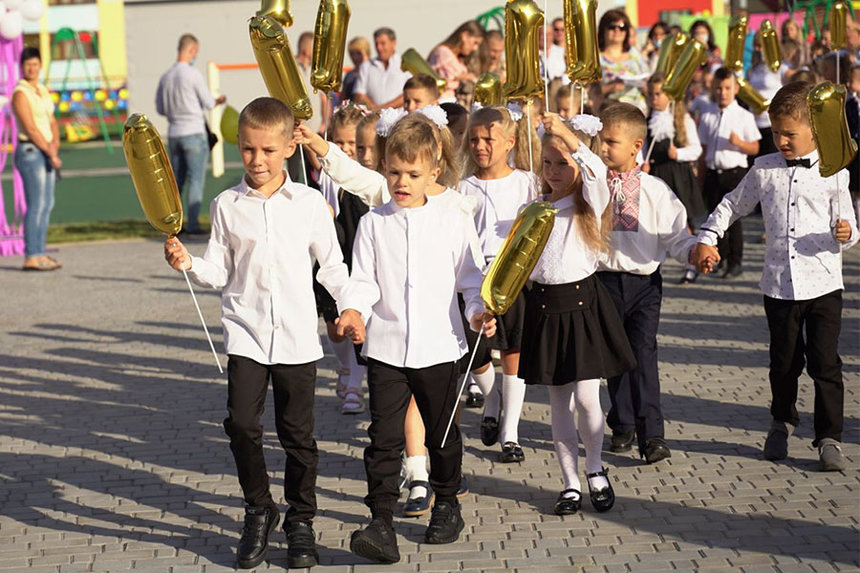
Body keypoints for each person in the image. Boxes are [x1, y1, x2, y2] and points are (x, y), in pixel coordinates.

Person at [164, 97, 349, 570]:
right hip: (245, 332)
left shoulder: (309, 203)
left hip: (296, 338)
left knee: (297, 435)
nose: (257, 160)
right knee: (242, 425)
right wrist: (189, 263)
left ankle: (301, 520)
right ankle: (258, 507)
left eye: (267, 150)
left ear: (289, 147)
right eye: (248, 150)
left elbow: (331, 265)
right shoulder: (228, 205)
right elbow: (221, 270)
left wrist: (350, 307)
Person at [334, 113, 495, 563]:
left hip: (439, 347)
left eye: (412, 174)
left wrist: (478, 310)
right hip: (386, 348)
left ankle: (445, 503)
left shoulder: (452, 219)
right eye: (393, 172)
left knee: (442, 434)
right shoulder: (373, 222)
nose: (401, 182)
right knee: (383, 437)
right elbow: (362, 280)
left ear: (434, 171)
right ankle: (380, 521)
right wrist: (354, 310)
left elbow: (469, 279)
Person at [692, 81, 858, 472]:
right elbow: (732, 204)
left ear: (814, 131)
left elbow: (849, 221)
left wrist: (847, 233)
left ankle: (829, 436)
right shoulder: (763, 169)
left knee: (825, 364)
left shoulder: (835, 172)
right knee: (783, 362)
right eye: (777, 132)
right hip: (779, 285)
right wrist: (708, 235)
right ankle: (781, 420)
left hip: (823, 283)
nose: (781, 140)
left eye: (790, 134)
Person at [522, 111, 634, 514]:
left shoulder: (590, 202)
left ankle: (594, 467)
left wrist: (567, 136)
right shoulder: (534, 207)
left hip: (583, 307)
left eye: (561, 163)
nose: (553, 171)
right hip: (546, 308)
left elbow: (597, 172)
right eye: (547, 163)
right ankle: (569, 482)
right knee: (558, 402)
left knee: (588, 399)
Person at [596, 102, 698, 463]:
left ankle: (652, 434)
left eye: (611, 141)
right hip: (602, 283)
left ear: (636, 146)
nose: (603, 148)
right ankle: (621, 423)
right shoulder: (593, 185)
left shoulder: (655, 190)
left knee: (643, 355)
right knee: (615, 359)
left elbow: (676, 235)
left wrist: (694, 252)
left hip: (643, 285)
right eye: (600, 140)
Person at [458, 105, 540, 464]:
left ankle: (510, 432)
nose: (481, 146)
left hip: (515, 279)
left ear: (509, 141)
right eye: (474, 139)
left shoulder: (527, 181)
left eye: (489, 139)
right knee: (476, 354)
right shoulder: (463, 187)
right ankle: (491, 398)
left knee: (512, 351)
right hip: (475, 279)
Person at [315, 102, 369, 415]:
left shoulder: (367, 176)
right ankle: (345, 366)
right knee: (334, 325)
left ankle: (354, 382)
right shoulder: (328, 174)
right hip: (332, 251)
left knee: (355, 319)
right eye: (341, 143)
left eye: (354, 144)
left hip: (357, 252)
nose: (347, 149)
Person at [155, 34, 226, 234]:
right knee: (196, 180)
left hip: (174, 132)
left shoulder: (166, 77)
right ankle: (193, 224)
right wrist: (219, 100)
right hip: (194, 131)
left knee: (177, 182)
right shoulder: (193, 74)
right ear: (192, 50)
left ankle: (173, 224)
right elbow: (208, 103)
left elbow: (160, 108)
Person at [697, 67, 761, 279]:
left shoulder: (743, 116)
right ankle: (720, 257)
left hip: (735, 172)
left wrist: (739, 143)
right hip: (714, 171)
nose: (722, 92)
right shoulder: (708, 115)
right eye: (719, 88)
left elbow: (755, 148)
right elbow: (703, 149)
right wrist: (700, 175)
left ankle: (736, 261)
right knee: (715, 215)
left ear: (735, 89)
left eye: (727, 88)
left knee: (733, 220)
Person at [644, 73, 704, 284]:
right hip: (657, 174)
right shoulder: (648, 120)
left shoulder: (682, 120)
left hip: (678, 174)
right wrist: (643, 163)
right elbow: (643, 147)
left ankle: (691, 263)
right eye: (651, 94)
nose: (654, 98)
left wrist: (677, 153)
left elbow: (696, 149)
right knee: (654, 219)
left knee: (683, 219)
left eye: (659, 94)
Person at [12, 47, 62, 271]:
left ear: (40, 65)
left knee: (47, 204)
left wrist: (55, 146)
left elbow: (52, 121)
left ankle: (40, 252)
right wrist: (50, 151)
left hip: (47, 150)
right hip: (31, 152)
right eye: (27, 64)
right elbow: (31, 128)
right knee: (36, 204)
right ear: (22, 67)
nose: (31, 68)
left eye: (35, 63)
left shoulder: (41, 90)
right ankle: (31, 254)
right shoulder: (20, 93)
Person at [598, 9, 648, 112]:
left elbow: (647, 78)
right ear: (603, 29)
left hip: (638, 111)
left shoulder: (634, 53)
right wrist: (610, 87)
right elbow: (588, 91)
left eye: (622, 28)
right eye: (612, 27)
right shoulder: (596, 58)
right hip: (610, 111)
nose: (617, 31)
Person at [353, 28, 412, 110]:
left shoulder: (406, 65)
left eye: (383, 43)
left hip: (398, 118)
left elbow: (410, 92)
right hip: (372, 118)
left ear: (393, 43)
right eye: (376, 44)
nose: (379, 48)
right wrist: (375, 110)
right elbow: (359, 93)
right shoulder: (366, 66)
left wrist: (382, 108)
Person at [428, 21, 484, 101]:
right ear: (465, 36)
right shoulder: (442, 53)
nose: (475, 48)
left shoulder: (460, 59)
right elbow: (445, 83)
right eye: (475, 43)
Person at [343, 36, 372, 103]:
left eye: (359, 53)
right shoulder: (349, 75)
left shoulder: (375, 72)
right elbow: (343, 99)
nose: (355, 57)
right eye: (352, 54)